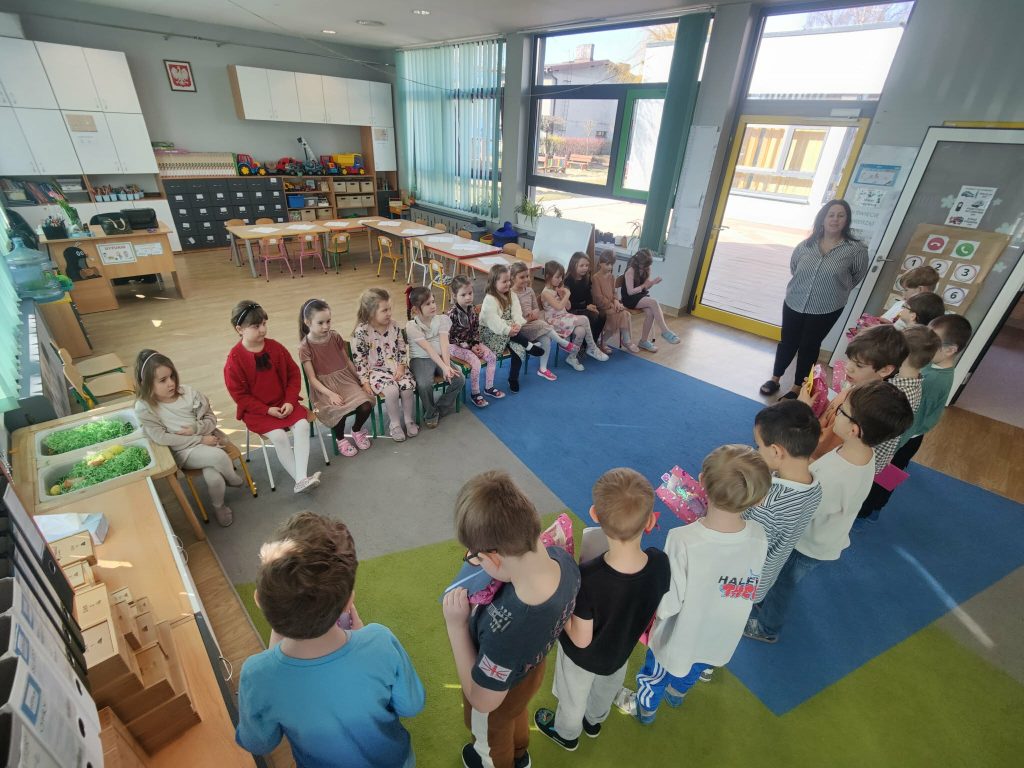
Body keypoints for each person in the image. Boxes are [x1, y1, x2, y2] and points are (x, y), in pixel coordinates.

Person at [236, 512, 425, 767]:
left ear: (259, 600)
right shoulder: (380, 641)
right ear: (349, 602)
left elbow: (259, 743)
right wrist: (362, 636)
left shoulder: (257, 675)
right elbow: (411, 705)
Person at [744, 382, 913, 642]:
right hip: (823, 534)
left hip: (807, 545)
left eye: (842, 410)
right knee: (781, 581)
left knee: (783, 585)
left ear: (854, 429)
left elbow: (800, 513)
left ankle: (768, 627)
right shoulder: (860, 452)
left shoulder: (835, 478)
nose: (836, 411)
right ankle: (766, 603)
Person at [614, 445, 771, 723]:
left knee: (655, 675)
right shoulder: (759, 535)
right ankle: (677, 693)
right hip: (722, 634)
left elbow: (669, 601)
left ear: (701, 481)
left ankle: (645, 708)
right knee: (696, 668)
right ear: (758, 500)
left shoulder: (683, 539)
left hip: (680, 636)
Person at [442, 471, 580, 768]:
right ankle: (520, 753)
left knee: (493, 733)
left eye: (477, 558)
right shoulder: (563, 561)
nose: (474, 562)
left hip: (498, 686)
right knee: (516, 713)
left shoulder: (508, 630)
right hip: (531, 671)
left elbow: (482, 700)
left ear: (494, 558)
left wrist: (456, 626)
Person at [533, 468, 670, 750]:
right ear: (650, 521)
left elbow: (580, 639)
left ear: (595, 514)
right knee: (605, 690)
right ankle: (594, 722)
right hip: (619, 653)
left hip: (581, 659)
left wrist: (561, 601)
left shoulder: (587, 579)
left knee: (573, 698)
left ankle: (567, 734)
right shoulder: (660, 563)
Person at [860, 315, 972, 515]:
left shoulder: (934, 380)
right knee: (886, 472)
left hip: (906, 437)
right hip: (906, 433)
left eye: (933, 341)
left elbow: (913, 418)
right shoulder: (928, 364)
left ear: (949, 350)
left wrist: (893, 447)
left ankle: (870, 509)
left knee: (885, 476)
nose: (927, 344)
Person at [761, 199, 869, 399]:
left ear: (847, 220)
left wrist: (832, 289)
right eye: (831, 215)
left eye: (841, 215)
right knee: (787, 342)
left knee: (809, 346)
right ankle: (775, 379)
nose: (835, 219)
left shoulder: (856, 250)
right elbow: (794, 268)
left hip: (827, 307)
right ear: (823, 219)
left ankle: (797, 388)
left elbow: (856, 276)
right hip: (795, 301)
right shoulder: (805, 245)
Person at [741, 400, 823, 639]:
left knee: (731, 610)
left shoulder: (768, 506)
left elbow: (745, 544)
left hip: (745, 579)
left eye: (758, 446)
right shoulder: (813, 484)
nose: (756, 450)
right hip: (772, 567)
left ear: (777, 452)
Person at [135, 349, 242, 526]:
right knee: (218, 457)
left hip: (207, 439)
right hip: (183, 450)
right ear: (146, 383)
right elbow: (162, 438)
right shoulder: (145, 407)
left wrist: (196, 428)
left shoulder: (189, 393)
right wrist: (199, 440)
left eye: (172, 376)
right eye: (163, 380)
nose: (171, 383)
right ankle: (234, 479)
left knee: (214, 477)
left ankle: (219, 506)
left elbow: (211, 418)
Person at [224, 301, 320, 494]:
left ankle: (300, 479)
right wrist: (266, 410)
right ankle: (301, 479)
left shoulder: (275, 347)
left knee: (302, 425)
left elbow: (293, 374)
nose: (262, 329)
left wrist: (289, 401)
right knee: (279, 436)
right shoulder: (234, 360)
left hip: (284, 403)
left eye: (264, 324)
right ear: (239, 329)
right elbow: (240, 397)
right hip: (258, 412)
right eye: (256, 326)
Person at [857, 324, 942, 519]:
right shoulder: (914, 380)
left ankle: (864, 512)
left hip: (875, 451)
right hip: (888, 447)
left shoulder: (896, 391)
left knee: (868, 487)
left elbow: (873, 421)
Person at [811, 324, 909, 461]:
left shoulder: (859, 408)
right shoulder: (855, 388)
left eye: (859, 365)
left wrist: (804, 409)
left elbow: (825, 445)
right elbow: (831, 412)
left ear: (885, 370)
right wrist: (819, 398)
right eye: (849, 359)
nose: (848, 367)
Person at [298, 298, 374, 457]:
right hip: (323, 388)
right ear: (307, 322)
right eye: (320, 323)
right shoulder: (305, 347)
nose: (326, 326)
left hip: (346, 380)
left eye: (328, 321)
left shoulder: (335, 336)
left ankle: (356, 430)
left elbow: (347, 361)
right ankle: (340, 439)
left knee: (366, 404)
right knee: (337, 412)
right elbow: (312, 379)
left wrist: (361, 380)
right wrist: (331, 394)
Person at [351, 288, 418, 442]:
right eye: (384, 310)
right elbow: (359, 359)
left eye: (389, 309)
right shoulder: (361, 332)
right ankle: (395, 425)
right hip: (376, 372)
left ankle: (408, 420)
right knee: (392, 391)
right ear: (370, 312)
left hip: (396, 367)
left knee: (407, 387)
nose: (389, 313)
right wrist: (365, 381)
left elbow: (402, 348)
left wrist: (401, 366)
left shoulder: (394, 325)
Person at [479, 264, 545, 393]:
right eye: (504, 281)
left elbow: (517, 313)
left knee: (519, 349)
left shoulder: (511, 294)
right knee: (518, 339)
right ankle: (528, 345)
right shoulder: (490, 299)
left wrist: (518, 324)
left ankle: (513, 378)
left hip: (510, 331)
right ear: (494, 282)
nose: (508, 284)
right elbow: (493, 321)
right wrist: (507, 330)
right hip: (492, 332)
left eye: (509, 280)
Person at [405, 286, 465, 429]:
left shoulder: (442, 319)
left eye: (433, 301)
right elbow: (428, 349)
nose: (433, 306)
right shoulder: (411, 326)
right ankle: (431, 414)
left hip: (440, 356)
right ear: (416, 310)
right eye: (427, 304)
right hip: (420, 359)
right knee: (424, 384)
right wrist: (444, 367)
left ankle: (437, 409)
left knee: (459, 378)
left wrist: (447, 366)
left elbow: (444, 344)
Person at [510, 260, 575, 381]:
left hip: (534, 323)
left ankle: (543, 369)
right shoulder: (511, 294)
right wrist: (527, 318)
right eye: (522, 277)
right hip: (521, 327)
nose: (526, 279)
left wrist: (535, 312)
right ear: (513, 278)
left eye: (527, 276)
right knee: (543, 325)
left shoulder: (529, 290)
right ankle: (563, 342)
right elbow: (512, 317)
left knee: (545, 338)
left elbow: (535, 307)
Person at [541, 260, 607, 372]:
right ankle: (592, 347)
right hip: (554, 321)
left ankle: (572, 357)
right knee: (584, 319)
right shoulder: (546, 292)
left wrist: (562, 295)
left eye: (561, 277)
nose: (560, 280)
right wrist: (567, 294)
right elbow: (558, 307)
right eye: (557, 277)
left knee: (581, 331)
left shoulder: (556, 289)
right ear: (548, 276)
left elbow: (568, 306)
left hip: (563, 317)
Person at [448, 275, 501, 407]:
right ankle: (475, 393)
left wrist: (476, 344)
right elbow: (451, 338)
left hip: (471, 344)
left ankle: (489, 387)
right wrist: (469, 347)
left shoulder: (472, 309)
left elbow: (476, 330)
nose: (468, 297)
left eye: (470, 293)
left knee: (492, 357)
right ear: (454, 296)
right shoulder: (452, 314)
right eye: (463, 295)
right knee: (476, 362)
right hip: (455, 346)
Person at [619, 247, 679, 353]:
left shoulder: (646, 269)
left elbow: (646, 287)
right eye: (644, 266)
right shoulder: (630, 271)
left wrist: (653, 283)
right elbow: (630, 292)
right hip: (629, 299)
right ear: (638, 263)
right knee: (654, 302)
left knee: (651, 312)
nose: (646, 268)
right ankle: (665, 331)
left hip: (640, 295)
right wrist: (644, 286)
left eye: (648, 266)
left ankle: (643, 341)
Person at [592, 249, 636, 353]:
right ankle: (606, 341)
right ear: (600, 263)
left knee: (624, 313)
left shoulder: (611, 277)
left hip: (611, 305)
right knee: (620, 314)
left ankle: (605, 341)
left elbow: (614, 292)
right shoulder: (595, 278)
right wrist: (611, 305)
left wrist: (616, 301)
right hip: (601, 307)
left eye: (611, 264)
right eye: (607, 264)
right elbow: (598, 298)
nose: (610, 267)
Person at [564, 251, 606, 355]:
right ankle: (584, 345)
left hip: (584, 307)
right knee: (593, 316)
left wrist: (591, 305)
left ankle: (592, 344)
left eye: (587, 265)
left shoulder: (586, 277)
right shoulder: (568, 280)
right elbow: (569, 305)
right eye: (581, 265)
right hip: (572, 309)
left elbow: (588, 294)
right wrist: (586, 306)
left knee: (602, 314)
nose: (585, 268)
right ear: (574, 265)